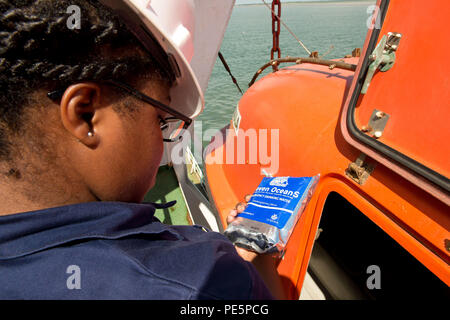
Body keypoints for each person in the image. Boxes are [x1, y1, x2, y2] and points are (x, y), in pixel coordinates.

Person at [0, 0, 285, 299]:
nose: (164, 144)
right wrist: (252, 266)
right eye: (161, 122)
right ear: (86, 114)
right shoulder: (208, 284)